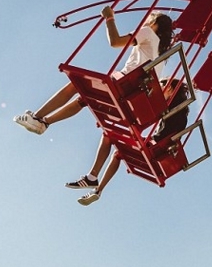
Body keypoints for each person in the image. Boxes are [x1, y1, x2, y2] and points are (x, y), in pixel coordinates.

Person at [14, 6, 174, 135]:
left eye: (149, 20)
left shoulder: (148, 33)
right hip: (133, 98)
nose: (145, 22)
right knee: (84, 98)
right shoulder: (160, 53)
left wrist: (109, 18)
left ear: (155, 23)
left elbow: (115, 42)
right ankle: (44, 123)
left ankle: (36, 117)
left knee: (76, 84)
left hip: (123, 87)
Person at [67, 78, 190, 206]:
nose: (156, 95)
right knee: (118, 153)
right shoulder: (179, 110)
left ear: (169, 89)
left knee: (108, 135)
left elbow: (155, 128)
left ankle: (92, 177)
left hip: (154, 147)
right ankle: (97, 190)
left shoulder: (171, 108)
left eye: (159, 89)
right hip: (158, 148)